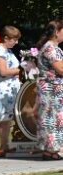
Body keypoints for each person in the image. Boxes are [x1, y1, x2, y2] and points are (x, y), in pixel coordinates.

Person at [0, 26, 23, 157]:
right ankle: (3, 146)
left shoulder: (8, 51)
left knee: (9, 118)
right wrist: (21, 71)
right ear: (6, 38)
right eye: (14, 39)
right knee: (4, 118)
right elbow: (3, 71)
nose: (16, 42)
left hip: (11, 87)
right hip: (3, 88)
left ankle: (6, 145)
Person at [34, 19, 63, 160]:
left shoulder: (51, 47)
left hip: (52, 88)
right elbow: (60, 69)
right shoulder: (51, 48)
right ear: (57, 32)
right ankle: (52, 150)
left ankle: (50, 151)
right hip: (51, 88)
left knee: (51, 118)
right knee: (52, 118)